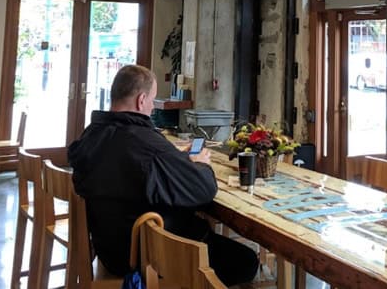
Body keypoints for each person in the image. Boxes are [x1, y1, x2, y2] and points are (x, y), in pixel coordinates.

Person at [68, 64, 258, 286]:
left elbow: (134, 165)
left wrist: (176, 159)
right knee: (246, 262)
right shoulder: (148, 145)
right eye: (152, 101)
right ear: (141, 100)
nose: (152, 108)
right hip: (146, 255)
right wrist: (200, 164)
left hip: (108, 246)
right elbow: (204, 190)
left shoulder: (91, 135)